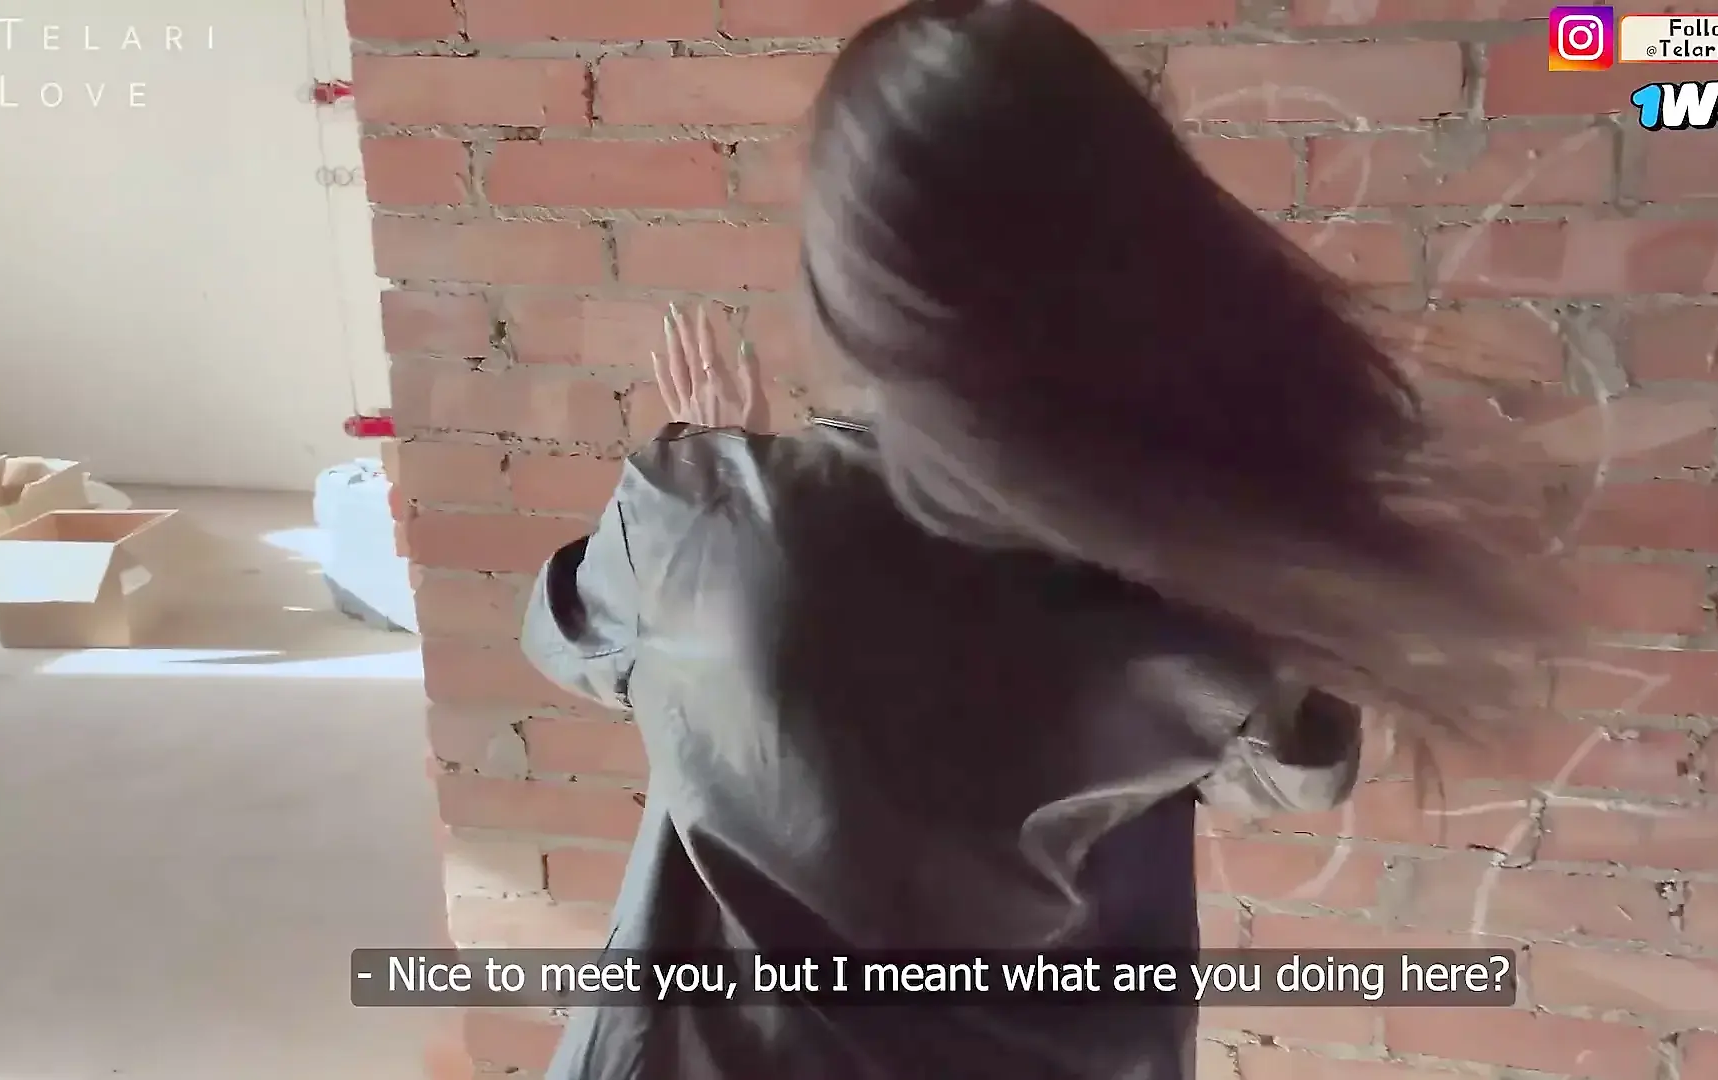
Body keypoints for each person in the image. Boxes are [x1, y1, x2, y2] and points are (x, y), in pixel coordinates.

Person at [522, 2, 1572, 1077]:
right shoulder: (1193, 563)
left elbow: (563, 638)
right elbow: (1297, 768)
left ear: (853, 271)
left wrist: (708, 468)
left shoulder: (708, 520)